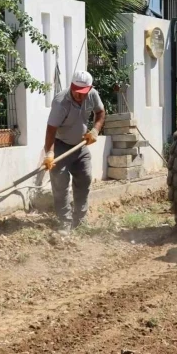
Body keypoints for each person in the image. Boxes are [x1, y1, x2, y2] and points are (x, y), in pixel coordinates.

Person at [43, 70, 105, 234]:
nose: (79, 96)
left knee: (85, 178)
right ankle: (64, 221)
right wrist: (49, 154)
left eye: (83, 93)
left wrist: (95, 131)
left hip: (80, 146)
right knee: (60, 182)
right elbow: (50, 130)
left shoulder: (92, 95)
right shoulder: (60, 102)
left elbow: (100, 113)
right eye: (76, 91)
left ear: (90, 89)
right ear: (71, 85)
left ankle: (80, 220)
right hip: (61, 145)